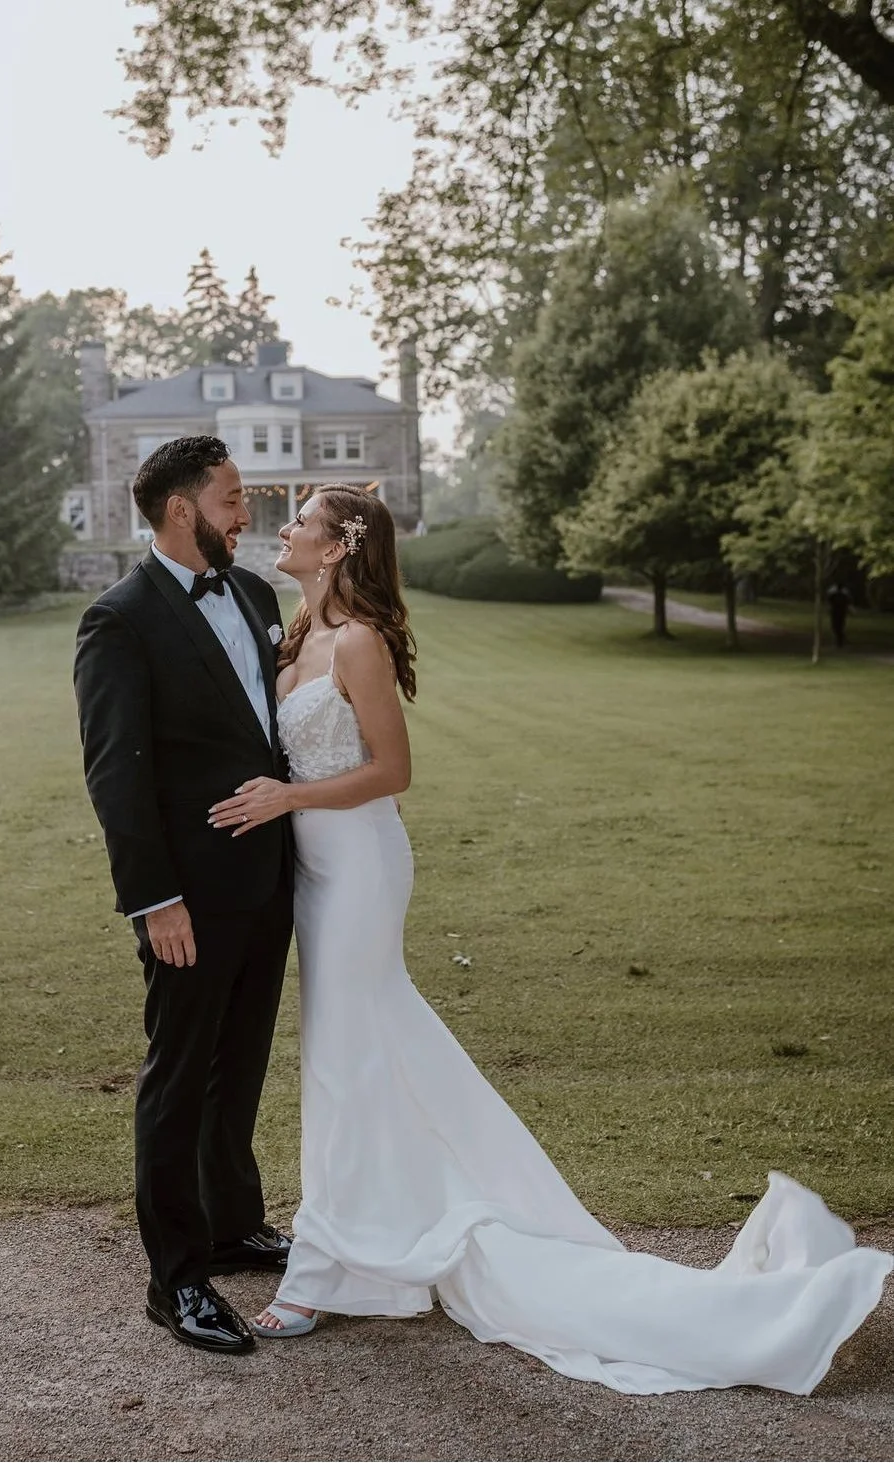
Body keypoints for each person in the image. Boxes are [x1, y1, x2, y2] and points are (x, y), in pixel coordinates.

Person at [207, 485, 893, 1394]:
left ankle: (329, 1265)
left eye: (298, 520)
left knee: (344, 1056)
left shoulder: (360, 641)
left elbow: (394, 769)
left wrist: (290, 798)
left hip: (362, 871)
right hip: (315, 872)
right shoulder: (292, 635)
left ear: (336, 549)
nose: (281, 529)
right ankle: (371, 1233)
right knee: (357, 1052)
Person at [74, 436, 294, 1356]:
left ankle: (232, 1221)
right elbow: (115, 775)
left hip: (268, 879)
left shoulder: (254, 593)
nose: (247, 514)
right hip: (187, 899)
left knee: (238, 1062)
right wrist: (154, 898)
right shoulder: (118, 620)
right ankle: (175, 1277)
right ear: (181, 510)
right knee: (177, 1074)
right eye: (234, 499)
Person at [827, 582, 851, 648]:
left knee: (838, 626)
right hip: (837, 611)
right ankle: (839, 640)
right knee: (837, 626)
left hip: (840, 611)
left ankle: (839, 641)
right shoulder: (834, 592)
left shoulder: (842, 592)